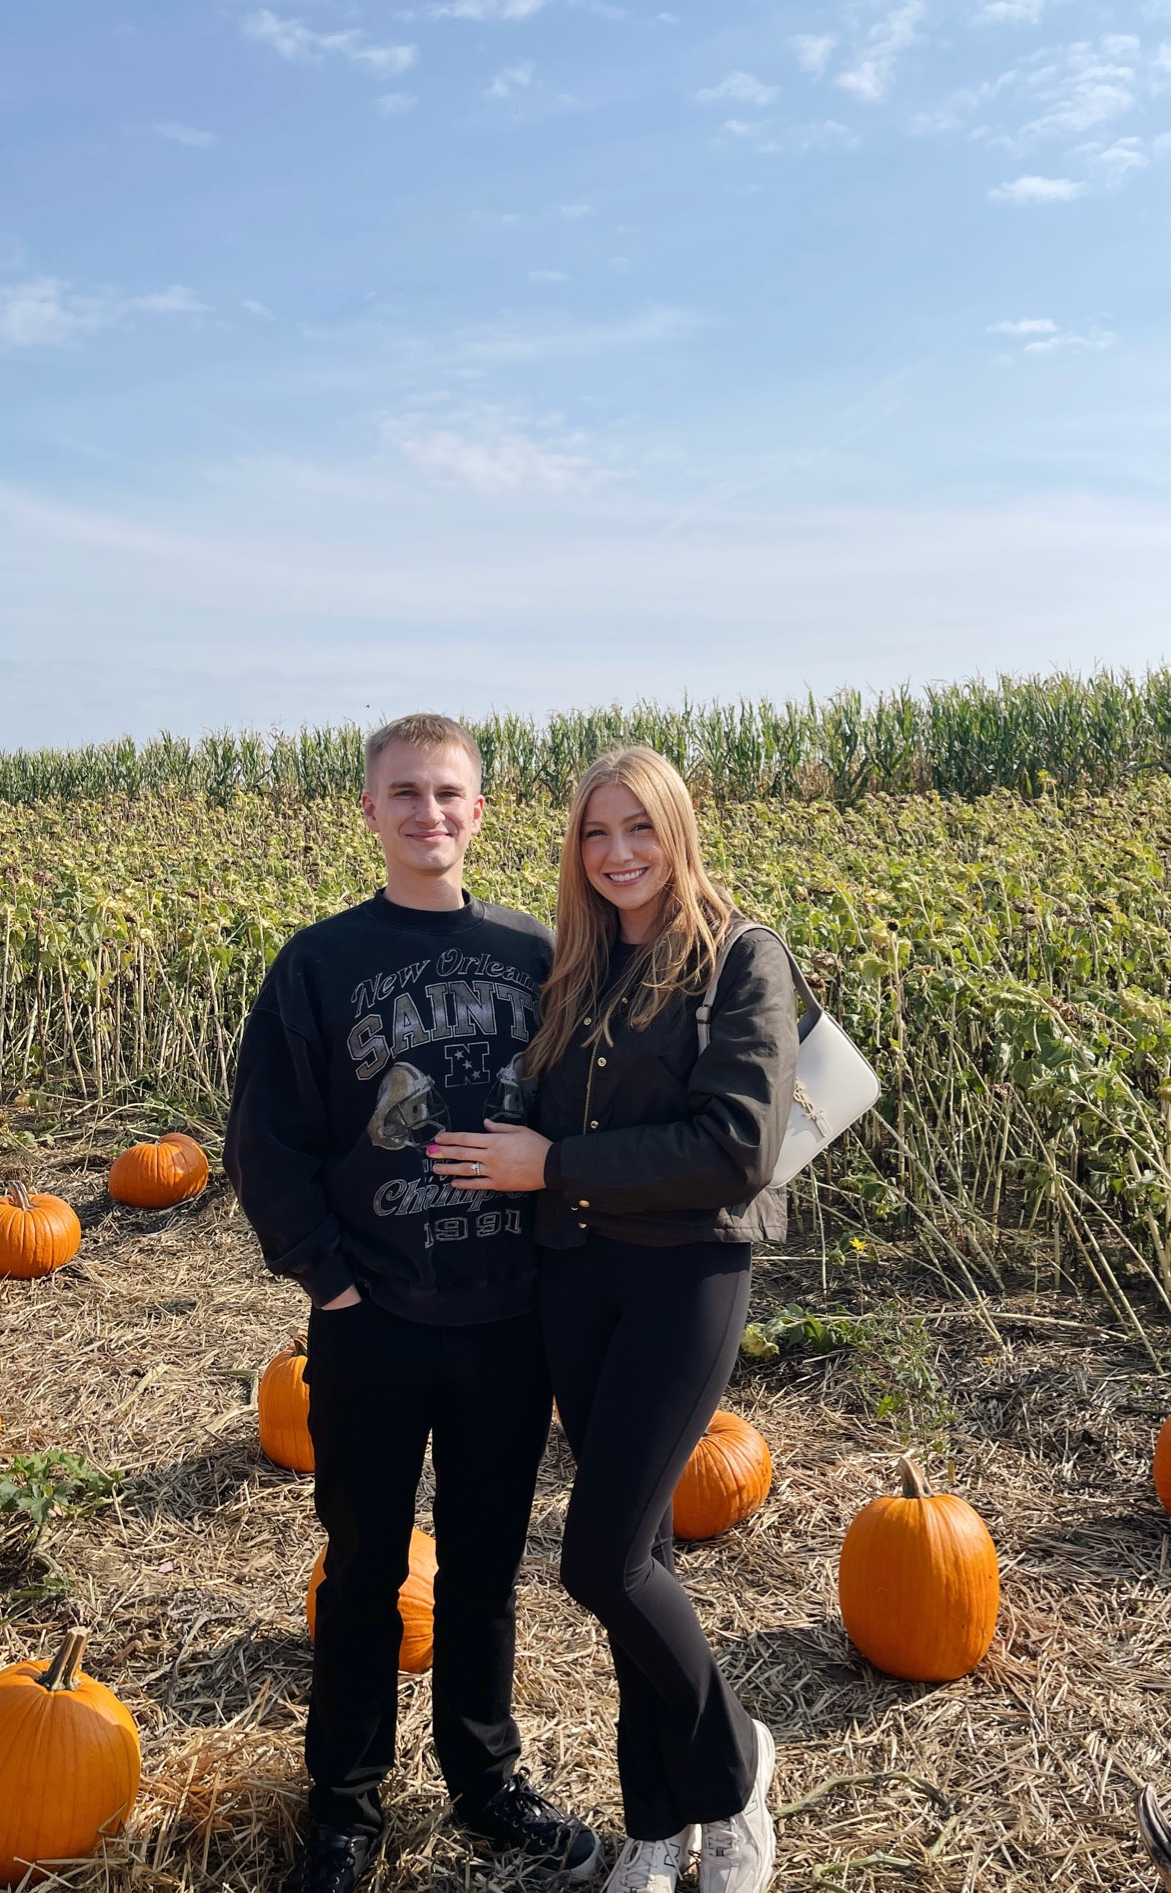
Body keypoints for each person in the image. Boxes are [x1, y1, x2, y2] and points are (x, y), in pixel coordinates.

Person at [224, 713, 600, 1893]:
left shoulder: (540, 952)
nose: (427, 814)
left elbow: (599, 1109)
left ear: (479, 811)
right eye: (405, 795)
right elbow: (264, 1142)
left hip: (504, 1321)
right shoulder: (319, 964)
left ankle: (486, 1786)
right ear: (371, 811)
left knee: (483, 1574)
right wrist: (327, 1280)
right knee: (363, 1570)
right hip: (371, 1324)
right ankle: (342, 1808)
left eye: (448, 794)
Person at [429, 746, 798, 1893]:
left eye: (638, 828)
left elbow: (735, 1145)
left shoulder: (741, 958)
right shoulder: (576, 967)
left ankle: (733, 1779)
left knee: (599, 1559)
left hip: (682, 1276)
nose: (618, 852)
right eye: (595, 833)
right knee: (636, 1559)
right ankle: (651, 1817)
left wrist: (556, 1165)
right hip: (574, 1282)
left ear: (676, 829)